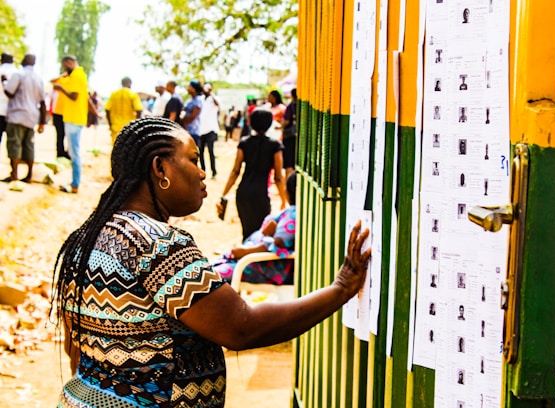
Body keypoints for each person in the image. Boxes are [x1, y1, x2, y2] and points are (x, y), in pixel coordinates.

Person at [51, 117, 371, 407]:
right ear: (160, 169)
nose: (203, 173)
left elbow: (74, 348)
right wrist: (341, 289)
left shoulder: (88, 237)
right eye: (193, 160)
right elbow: (241, 327)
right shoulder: (159, 244)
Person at [214, 173, 297, 284]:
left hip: (265, 266)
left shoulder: (293, 214)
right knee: (210, 272)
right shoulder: (294, 213)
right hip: (256, 261)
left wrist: (245, 252)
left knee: (212, 276)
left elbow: (279, 242)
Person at [219, 109, 288, 241]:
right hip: (261, 194)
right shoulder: (275, 145)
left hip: (243, 192)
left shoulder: (244, 143)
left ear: (251, 123)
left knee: (246, 232)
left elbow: (235, 171)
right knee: (260, 234)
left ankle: (245, 256)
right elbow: (278, 177)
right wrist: (284, 200)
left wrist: (224, 193)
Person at [2, 54, 46, 187]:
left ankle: (14, 174)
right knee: (28, 146)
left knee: (14, 143)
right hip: (32, 117)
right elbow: (43, 103)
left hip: (17, 114)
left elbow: (10, 92)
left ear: (24, 61)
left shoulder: (18, 74)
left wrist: (4, 81)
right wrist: (42, 122)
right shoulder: (39, 79)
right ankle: (29, 175)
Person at [52, 55, 88, 194]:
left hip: (74, 119)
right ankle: (74, 182)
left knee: (74, 152)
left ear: (69, 63)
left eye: (64, 65)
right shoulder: (79, 75)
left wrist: (61, 89)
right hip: (74, 118)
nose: (64, 68)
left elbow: (74, 96)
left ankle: (75, 184)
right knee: (74, 152)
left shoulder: (77, 75)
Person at [105, 77, 143, 144]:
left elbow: (107, 110)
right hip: (129, 128)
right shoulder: (133, 94)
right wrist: (137, 125)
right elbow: (139, 110)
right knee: (127, 150)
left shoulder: (114, 94)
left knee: (116, 148)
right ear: (129, 83)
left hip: (115, 127)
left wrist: (110, 124)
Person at [198, 82, 220, 177]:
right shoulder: (201, 99)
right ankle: (203, 170)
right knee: (201, 152)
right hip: (201, 129)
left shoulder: (214, 98)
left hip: (211, 129)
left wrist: (211, 94)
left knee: (211, 151)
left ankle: (213, 171)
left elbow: (217, 104)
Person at [0, 52, 17, 146]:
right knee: (13, 141)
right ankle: (13, 160)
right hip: (14, 111)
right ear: (13, 61)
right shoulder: (18, 73)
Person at [180, 79, 203, 145]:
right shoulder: (189, 101)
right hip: (186, 131)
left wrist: (184, 123)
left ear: (193, 88)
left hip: (193, 132)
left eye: (189, 86)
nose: (187, 88)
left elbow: (193, 115)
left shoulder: (198, 100)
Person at [281, 88, 298, 177]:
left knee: (289, 162)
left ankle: (289, 181)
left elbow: (286, 121)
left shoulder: (291, 106)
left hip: (289, 137)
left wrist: (281, 126)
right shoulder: (303, 106)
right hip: (300, 137)